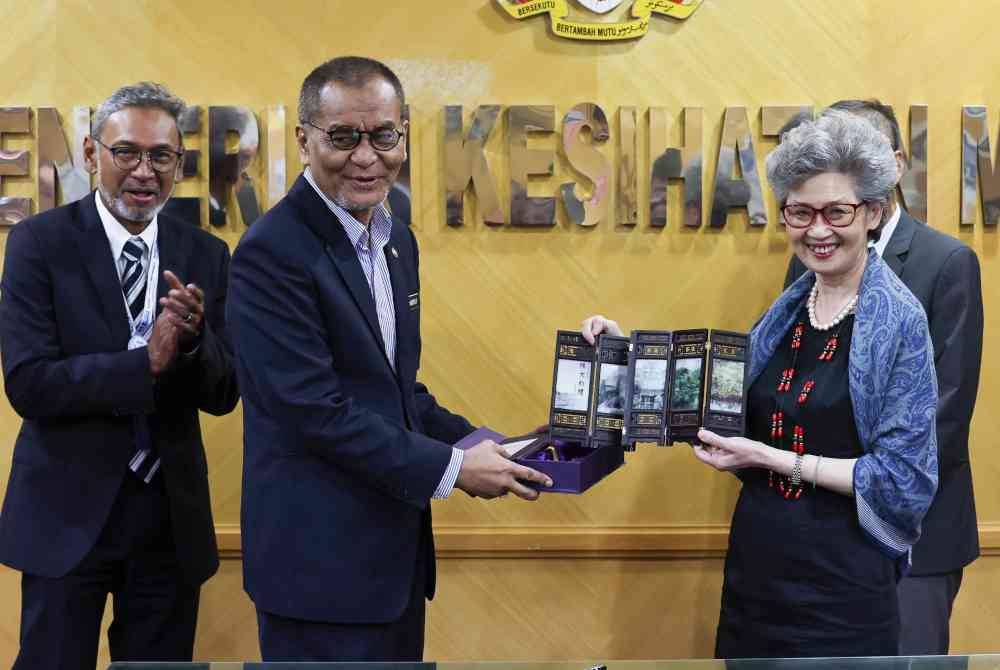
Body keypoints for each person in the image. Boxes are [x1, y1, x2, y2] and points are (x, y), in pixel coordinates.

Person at [226, 56, 552, 663]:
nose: (367, 156)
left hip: (392, 563)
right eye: (343, 137)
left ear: (403, 133)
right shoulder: (271, 251)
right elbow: (313, 411)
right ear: (304, 140)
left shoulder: (395, 236)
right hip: (317, 574)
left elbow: (398, 392)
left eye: (384, 135)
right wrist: (454, 469)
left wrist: (493, 447)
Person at [582, 110, 938, 657]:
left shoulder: (900, 319)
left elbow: (903, 479)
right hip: (758, 574)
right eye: (800, 212)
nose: (817, 230)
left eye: (836, 211)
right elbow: (717, 407)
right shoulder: (790, 305)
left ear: (871, 212)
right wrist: (625, 356)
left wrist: (775, 461)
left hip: (844, 588)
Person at [0, 82, 239, 669]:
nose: (144, 171)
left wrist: (191, 348)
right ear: (90, 154)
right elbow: (29, 383)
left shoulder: (206, 254)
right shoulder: (39, 243)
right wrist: (144, 364)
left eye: (162, 157)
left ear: (178, 164)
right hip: (65, 516)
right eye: (125, 152)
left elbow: (226, 393)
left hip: (168, 523)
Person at [784, 99, 983, 656]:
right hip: (815, 535)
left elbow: (944, 413)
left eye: (858, 153)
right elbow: (782, 378)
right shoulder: (809, 256)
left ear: (894, 165)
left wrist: (855, 480)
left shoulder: (946, 262)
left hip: (913, 536)